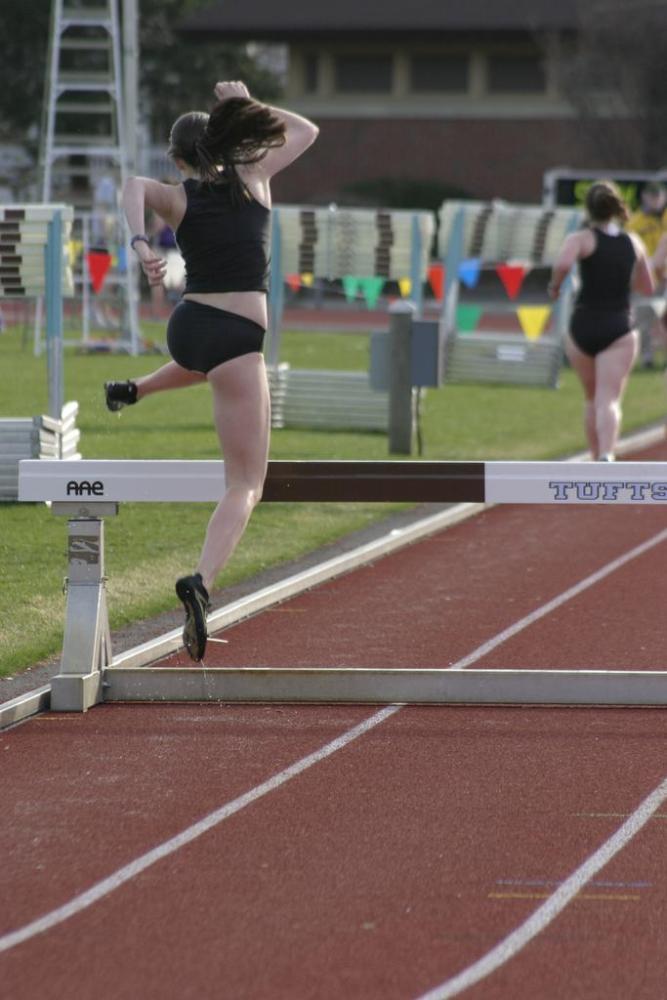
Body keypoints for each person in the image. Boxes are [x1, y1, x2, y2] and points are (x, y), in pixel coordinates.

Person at [104, 80, 319, 661]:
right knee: (246, 483)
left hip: (190, 328)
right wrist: (247, 105)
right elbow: (306, 130)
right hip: (236, 336)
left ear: (178, 159)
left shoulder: (177, 195)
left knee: (208, 370)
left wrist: (141, 243)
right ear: (231, 143)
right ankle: (201, 582)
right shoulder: (254, 179)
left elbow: (132, 186)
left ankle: (136, 389)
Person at [548, 180, 654, 462]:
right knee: (609, 399)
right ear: (616, 207)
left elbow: (561, 264)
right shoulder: (633, 242)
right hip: (619, 327)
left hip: (582, 326)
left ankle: (595, 456)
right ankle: (607, 454)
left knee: (591, 399)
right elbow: (648, 287)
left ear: (589, 209)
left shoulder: (581, 239)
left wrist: (555, 287)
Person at [626, 181, 667, 367]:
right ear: (644, 197)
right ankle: (647, 358)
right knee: (644, 317)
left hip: (665, 275)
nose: (656, 200)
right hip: (646, 276)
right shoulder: (634, 223)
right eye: (652, 195)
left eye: (658, 195)